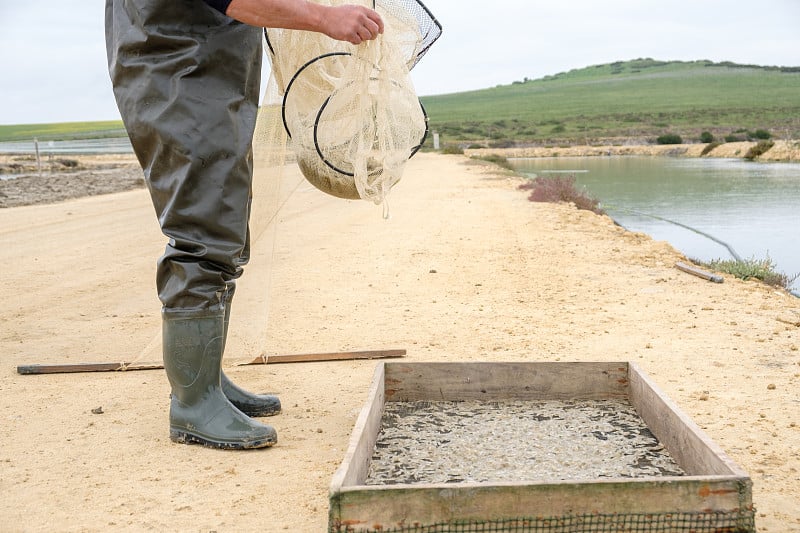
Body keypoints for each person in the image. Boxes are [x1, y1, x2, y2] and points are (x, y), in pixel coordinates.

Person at [105, 0, 384, 450]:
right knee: (202, 233)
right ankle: (193, 404)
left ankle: (208, 381)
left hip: (204, 81)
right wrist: (323, 17)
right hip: (181, 80)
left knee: (225, 227)